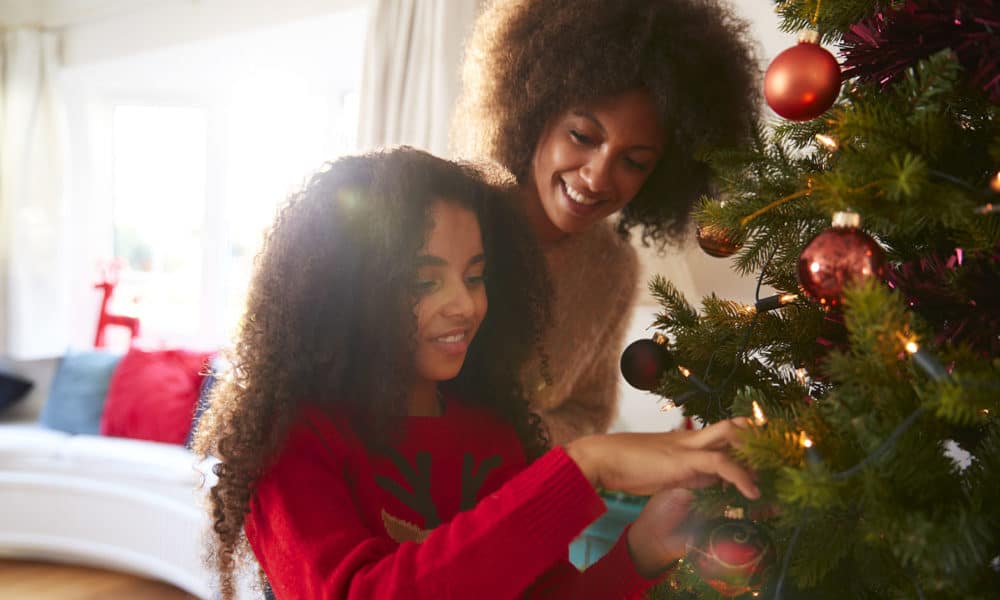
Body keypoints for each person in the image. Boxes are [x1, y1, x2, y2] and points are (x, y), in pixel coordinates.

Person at [193, 147, 759, 599]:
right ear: (346, 294)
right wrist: (588, 465)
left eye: (476, 275)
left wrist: (642, 548)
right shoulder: (293, 439)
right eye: (424, 281)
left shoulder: (491, 429)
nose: (464, 305)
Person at [454, 0, 761, 445]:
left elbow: (587, 414)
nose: (598, 177)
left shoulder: (611, 269)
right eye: (582, 136)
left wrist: (510, 445)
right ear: (534, 108)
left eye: (633, 162)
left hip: (520, 502)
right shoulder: (452, 214)